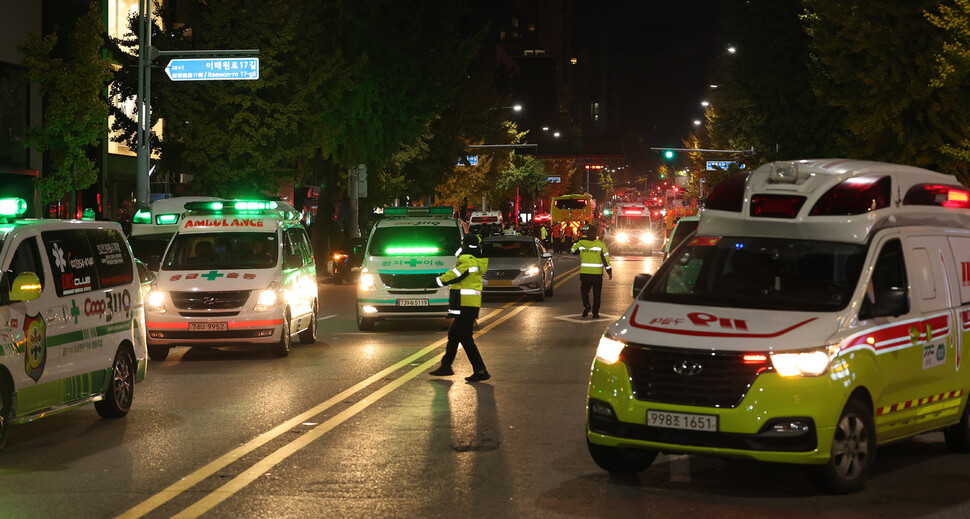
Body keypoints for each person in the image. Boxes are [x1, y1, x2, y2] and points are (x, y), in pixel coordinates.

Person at [430, 234, 491, 382]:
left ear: (464, 245)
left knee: (466, 339)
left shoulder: (466, 259)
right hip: (470, 304)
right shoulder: (476, 259)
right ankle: (446, 366)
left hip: (464, 304)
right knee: (454, 336)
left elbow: (455, 275)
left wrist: (437, 281)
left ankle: (481, 370)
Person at [571, 225, 612, 318]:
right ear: (596, 234)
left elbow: (572, 251)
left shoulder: (581, 243)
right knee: (597, 294)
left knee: (584, 291)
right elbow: (606, 259)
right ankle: (595, 313)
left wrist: (576, 241)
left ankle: (586, 305)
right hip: (597, 274)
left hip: (585, 273)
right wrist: (609, 271)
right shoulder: (600, 244)